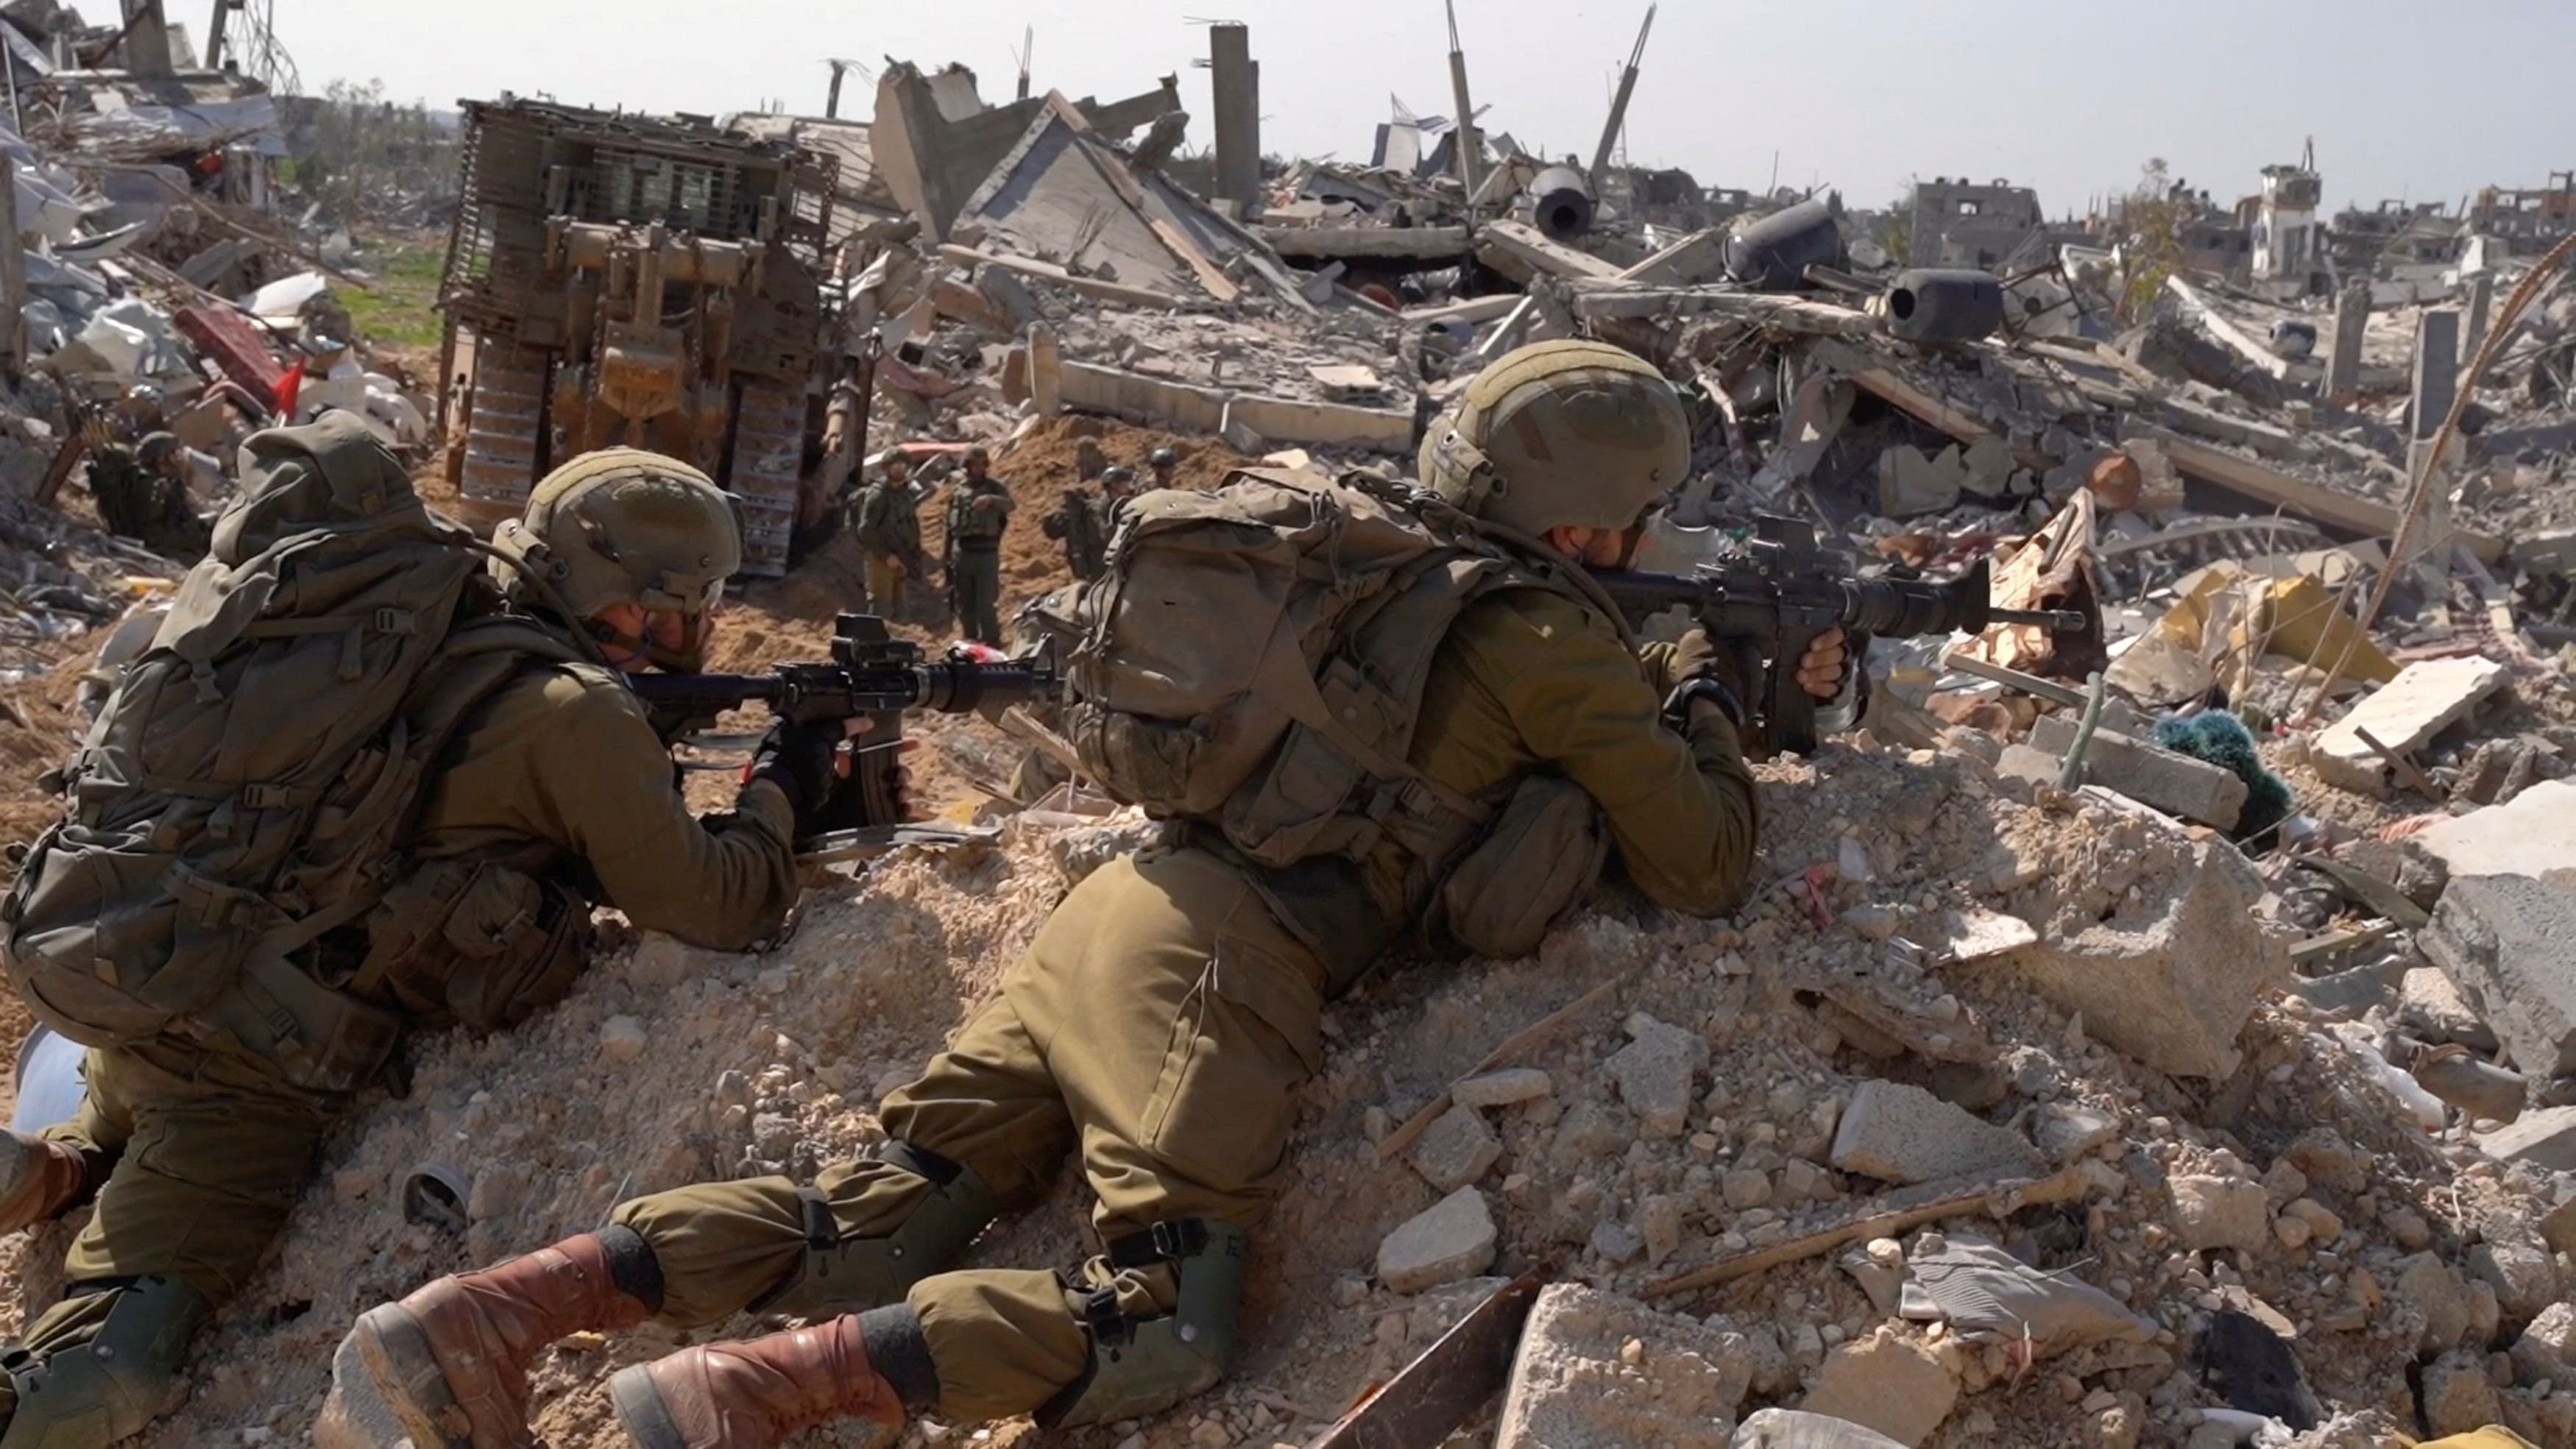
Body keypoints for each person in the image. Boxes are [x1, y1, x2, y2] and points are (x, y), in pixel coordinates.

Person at [336, 341, 1855, 1449]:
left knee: (870, 1222)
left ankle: (487, 1314)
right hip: (1211, 969)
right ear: (1592, 520)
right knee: (1167, 1320)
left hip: (1114, 918)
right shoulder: (1546, 639)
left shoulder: (1374, 562)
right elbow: (1706, 865)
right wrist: (1694, 696)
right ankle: (741, 1400)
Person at [0, 432, 872, 1446]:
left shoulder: (434, 617)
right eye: (693, 604)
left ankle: (53, 1169)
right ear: (639, 605)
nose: (702, 628)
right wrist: (782, 786)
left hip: (163, 981)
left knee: (107, 1134)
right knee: (115, 1370)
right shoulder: (573, 710)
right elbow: (722, 903)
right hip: (245, 1076)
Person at [944, 447, 1013, 645]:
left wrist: (991, 500)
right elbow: (948, 525)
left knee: (986, 603)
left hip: (986, 552)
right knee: (964, 602)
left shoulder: (994, 488)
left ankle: (992, 641)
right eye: (973, 464)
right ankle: (970, 640)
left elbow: (1010, 505)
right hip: (963, 552)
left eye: (981, 464)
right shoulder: (958, 491)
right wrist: (946, 554)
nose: (977, 468)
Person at [850, 450, 932, 616]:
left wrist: (913, 554)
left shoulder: (904, 494)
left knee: (901, 612)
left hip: (901, 555)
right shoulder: (878, 494)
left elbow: (911, 524)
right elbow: (866, 531)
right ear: (886, 468)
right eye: (895, 466)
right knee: (881, 608)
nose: (900, 470)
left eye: (903, 466)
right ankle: (870, 642)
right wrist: (887, 556)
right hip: (882, 557)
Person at [1041, 465, 1117, 583]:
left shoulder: (1082, 513)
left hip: (1088, 569)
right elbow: (1106, 535)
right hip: (1101, 569)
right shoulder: (1094, 510)